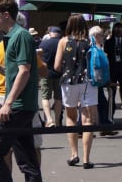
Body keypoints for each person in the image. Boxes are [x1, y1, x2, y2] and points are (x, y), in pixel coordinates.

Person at [0, 0, 55, 182]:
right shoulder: (14, 37)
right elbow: (15, 71)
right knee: (28, 162)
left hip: (18, 106)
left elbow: (24, 71)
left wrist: (8, 103)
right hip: (21, 105)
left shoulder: (20, 36)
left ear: (6, 15)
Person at [56, 16, 97, 167]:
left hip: (68, 82)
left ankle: (74, 154)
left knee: (71, 117)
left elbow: (56, 66)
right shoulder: (90, 41)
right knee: (88, 120)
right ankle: (87, 158)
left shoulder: (63, 41)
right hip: (87, 82)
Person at [37, 23, 64, 133]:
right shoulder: (62, 43)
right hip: (60, 74)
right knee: (58, 99)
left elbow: (38, 57)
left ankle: (49, 120)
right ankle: (57, 121)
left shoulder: (44, 43)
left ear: (50, 33)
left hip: (46, 74)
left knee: (45, 97)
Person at [89, 25, 115, 134]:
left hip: (97, 81)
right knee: (99, 104)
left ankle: (104, 126)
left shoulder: (96, 48)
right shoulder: (93, 49)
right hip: (95, 81)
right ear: (95, 36)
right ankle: (104, 126)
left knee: (99, 104)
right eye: (101, 35)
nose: (103, 37)